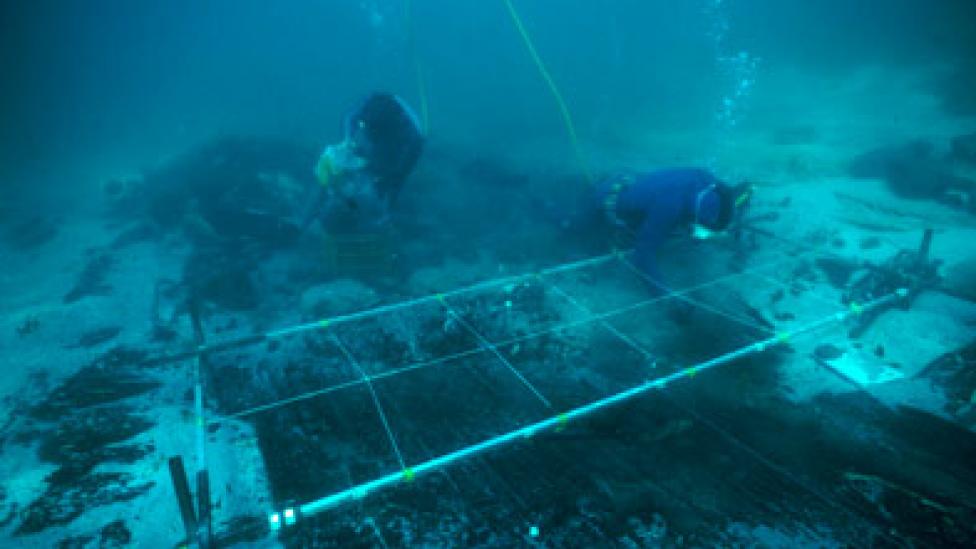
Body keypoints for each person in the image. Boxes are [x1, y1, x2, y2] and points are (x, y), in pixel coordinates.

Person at [595, 168, 754, 294]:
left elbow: (732, 199)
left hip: (629, 178)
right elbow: (642, 255)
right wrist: (665, 297)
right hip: (608, 198)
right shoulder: (668, 207)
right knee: (646, 236)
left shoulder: (711, 183)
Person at [302, 92, 424, 234]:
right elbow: (350, 118)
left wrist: (387, 191)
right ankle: (306, 222)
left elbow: (400, 172)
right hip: (380, 133)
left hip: (400, 146)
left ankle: (378, 218)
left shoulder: (410, 137)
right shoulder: (369, 105)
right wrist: (347, 141)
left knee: (386, 184)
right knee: (334, 174)